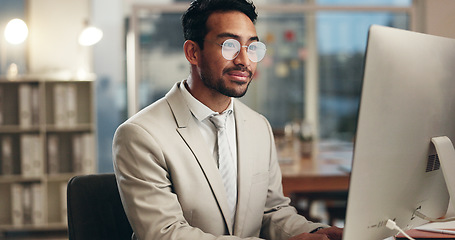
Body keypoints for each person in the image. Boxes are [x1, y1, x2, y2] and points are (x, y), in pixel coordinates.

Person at [112, 0, 343, 239]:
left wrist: (318, 232)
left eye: (252, 47)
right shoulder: (140, 135)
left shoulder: (258, 126)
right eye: (229, 45)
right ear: (193, 52)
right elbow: (165, 234)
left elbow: (272, 211)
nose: (244, 60)